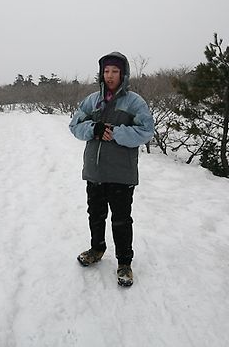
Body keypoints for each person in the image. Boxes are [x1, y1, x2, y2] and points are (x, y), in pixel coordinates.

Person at [69, 51, 154, 287]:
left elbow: (146, 131)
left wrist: (116, 132)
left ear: (123, 74)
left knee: (121, 220)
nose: (110, 75)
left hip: (121, 173)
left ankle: (124, 263)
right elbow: (74, 125)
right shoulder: (92, 100)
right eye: (106, 71)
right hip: (95, 171)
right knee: (95, 215)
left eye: (115, 71)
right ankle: (97, 249)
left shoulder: (134, 102)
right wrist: (94, 129)